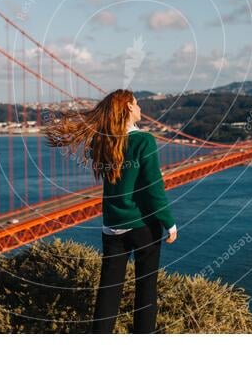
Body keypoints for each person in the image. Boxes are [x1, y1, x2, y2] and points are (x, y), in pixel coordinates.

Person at [43, 88, 177, 333]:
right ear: (127, 108)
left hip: (112, 226)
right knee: (146, 288)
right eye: (136, 104)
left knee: (109, 289)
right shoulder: (144, 140)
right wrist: (169, 222)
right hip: (143, 226)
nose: (140, 109)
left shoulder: (103, 141)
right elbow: (153, 187)